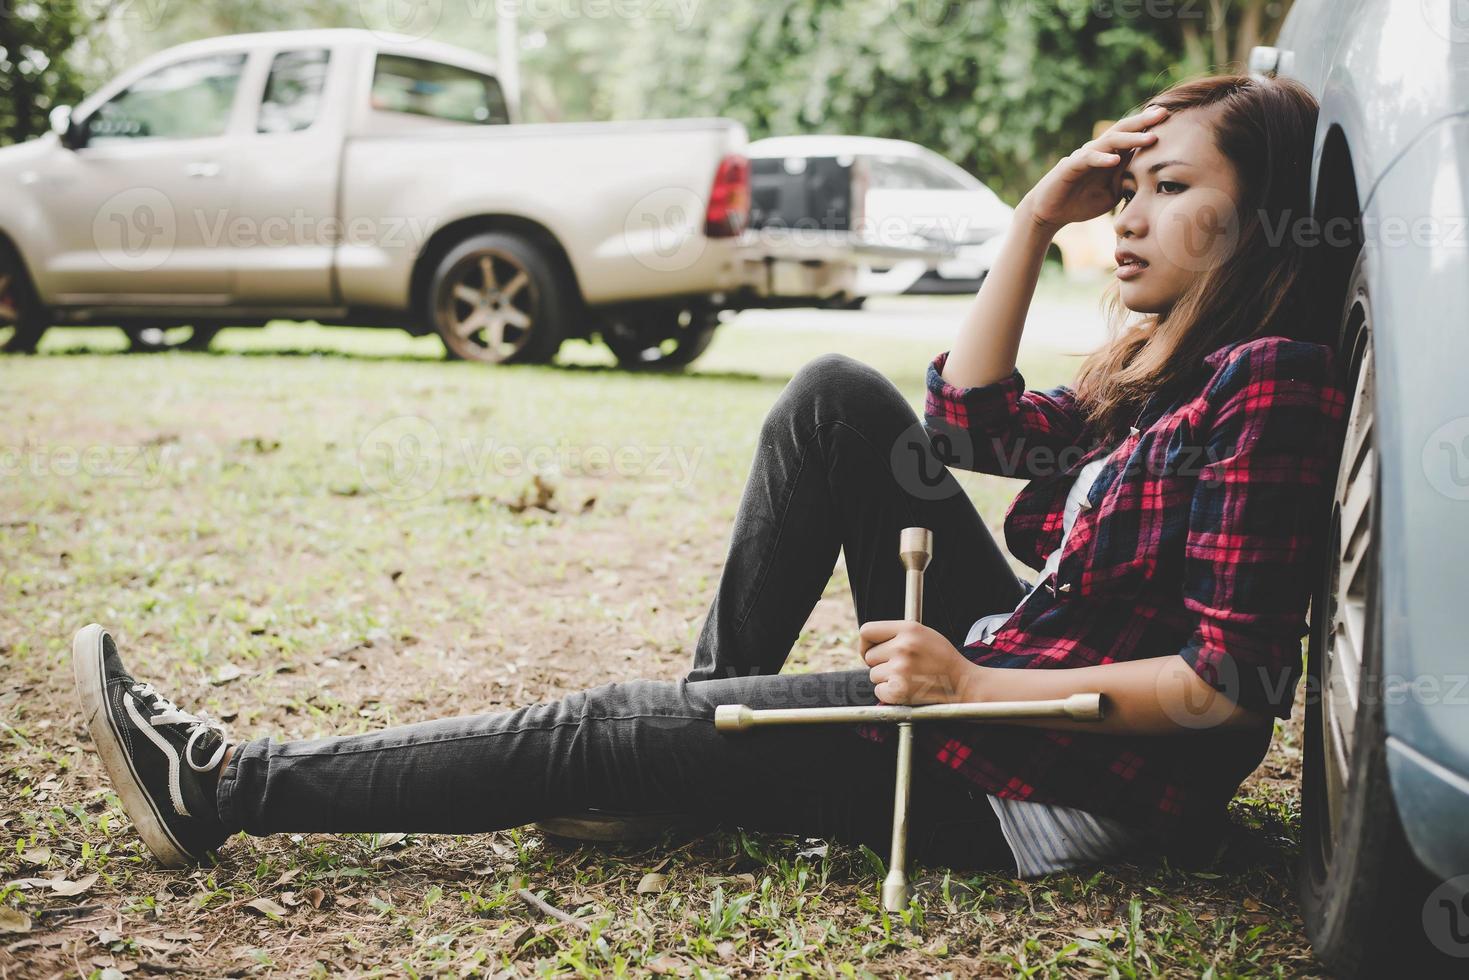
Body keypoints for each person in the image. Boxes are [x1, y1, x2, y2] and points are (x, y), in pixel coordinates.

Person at [71, 72, 1349, 883]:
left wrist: (977, 682)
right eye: (1123, 188)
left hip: (1045, 777)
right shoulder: (1171, 365)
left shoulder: (1272, 380)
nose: (1124, 217)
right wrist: (1028, 221)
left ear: (1265, 218)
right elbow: (965, 424)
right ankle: (667, 767)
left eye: (1167, 189)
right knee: (834, 399)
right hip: (1017, 671)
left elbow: (1227, 693)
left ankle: (225, 786)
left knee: (597, 729)